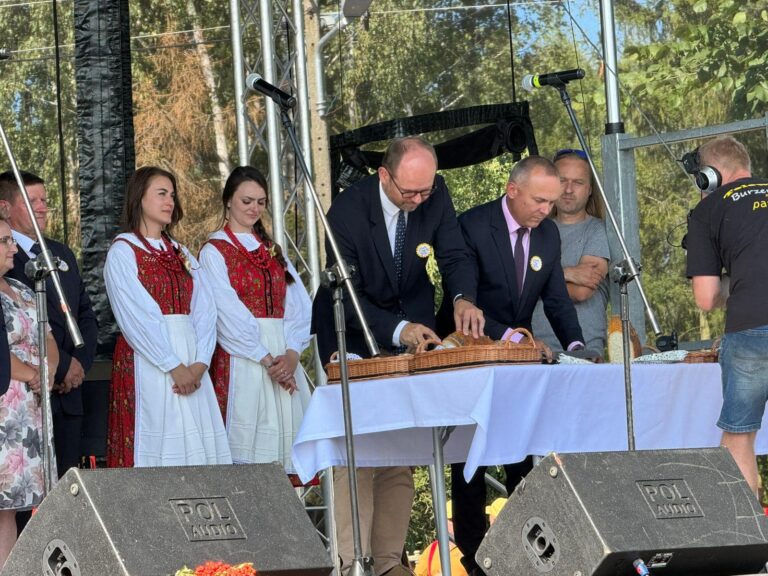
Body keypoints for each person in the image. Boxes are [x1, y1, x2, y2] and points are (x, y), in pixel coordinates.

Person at [312, 136, 484, 576]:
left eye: (425, 191)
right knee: (358, 451)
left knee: (400, 450)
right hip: (349, 328)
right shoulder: (349, 211)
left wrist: (462, 298)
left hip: (412, 330)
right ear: (383, 175)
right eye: (409, 192)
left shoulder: (434, 193)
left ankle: (389, 562)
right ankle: (352, 563)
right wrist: (396, 329)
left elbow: (455, 254)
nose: (419, 200)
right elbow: (344, 293)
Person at [450, 156, 584, 576]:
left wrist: (576, 346)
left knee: (523, 456)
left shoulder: (547, 235)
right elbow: (465, 303)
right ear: (512, 190)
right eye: (540, 200)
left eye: (552, 201)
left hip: (519, 365)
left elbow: (557, 299)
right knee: (471, 460)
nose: (548, 209)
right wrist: (510, 338)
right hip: (470, 355)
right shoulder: (472, 225)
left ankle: (529, 551)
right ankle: (474, 557)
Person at [104, 166, 231, 467]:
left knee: (196, 446)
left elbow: (204, 309)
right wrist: (173, 366)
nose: (170, 201)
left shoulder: (182, 252)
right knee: (159, 441)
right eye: (161, 194)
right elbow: (135, 316)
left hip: (191, 358)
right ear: (140, 198)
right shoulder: (123, 251)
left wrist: (200, 364)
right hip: (151, 359)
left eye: (172, 195)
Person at [199, 166, 312, 470]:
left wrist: (290, 355)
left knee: (281, 456)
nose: (254, 208)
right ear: (228, 201)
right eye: (247, 201)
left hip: (281, 355)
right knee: (247, 454)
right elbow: (224, 310)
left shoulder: (273, 250)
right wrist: (267, 359)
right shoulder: (214, 251)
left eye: (261, 202)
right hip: (243, 357)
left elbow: (297, 304)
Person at [0, 170, 99, 479]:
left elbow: (84, 313)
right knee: (23, 499)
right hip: (26, 396)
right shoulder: (6, 259)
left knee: (64, 491)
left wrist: (77, 365)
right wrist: (60, 367)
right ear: (5, 208)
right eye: (32, 201)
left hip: (68, 393)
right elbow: (30, 324)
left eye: (44, 200)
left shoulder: (61, 253)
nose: (42, 207)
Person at [685, 135, 768, 497]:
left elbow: (705, 298)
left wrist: (735, 281)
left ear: (708, 176)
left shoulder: (707, 210)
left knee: (738, 439)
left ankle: (748, 547)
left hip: (753, 328)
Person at [0, 215, 58, 567]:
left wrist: (47, 371)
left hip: (32, 407)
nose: (14, 247)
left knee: (13, 507)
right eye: (5, 241)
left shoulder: (22, 288)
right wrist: (33, 373)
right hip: (6, 407)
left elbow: (47, 336)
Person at [531, 149, 610, 354]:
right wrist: (568, 273)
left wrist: (534, 281)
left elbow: (581, 292)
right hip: (534, 350)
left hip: (583, 351)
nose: (568, 189)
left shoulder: (598, 230)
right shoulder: (533, 230)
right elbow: (513, 288)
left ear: (590, 189)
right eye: (562, 180)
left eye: (578, 182)